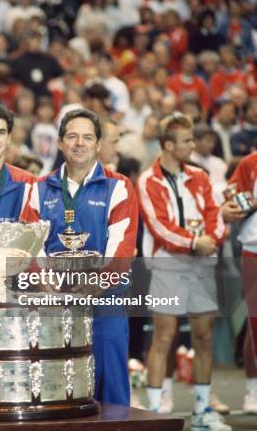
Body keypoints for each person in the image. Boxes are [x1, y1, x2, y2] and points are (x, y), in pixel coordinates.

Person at [22, 108, 138, 407]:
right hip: (54, 306)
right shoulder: (39, 188)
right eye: (72, 136)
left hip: (104, 302)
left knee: (110, 387)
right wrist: (43, 279)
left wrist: (98, 283)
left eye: (88, 137)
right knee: (56, 389)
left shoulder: (119, 186)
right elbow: (30, 242)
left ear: (98, 144)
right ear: (60, 143)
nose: (80, 143)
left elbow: (122, 247)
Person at [137, 112, 230, 431]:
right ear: (167, 145)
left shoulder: (200, 176)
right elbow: (159, 225)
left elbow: (216, 216)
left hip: (202, 264)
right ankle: (154, 411)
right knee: (164, 338)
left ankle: (203, 411)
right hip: (168, 265)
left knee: (203, 338)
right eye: (187, 140)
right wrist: (194, 243)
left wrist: (211, 240)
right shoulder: (148, 180)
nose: (193, 145)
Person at [221, 152, 257, 414]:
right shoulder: (250, 163)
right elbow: (232, 202)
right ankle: (252, 389)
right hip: (254, 249)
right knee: (255, 322)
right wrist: (251, 201)